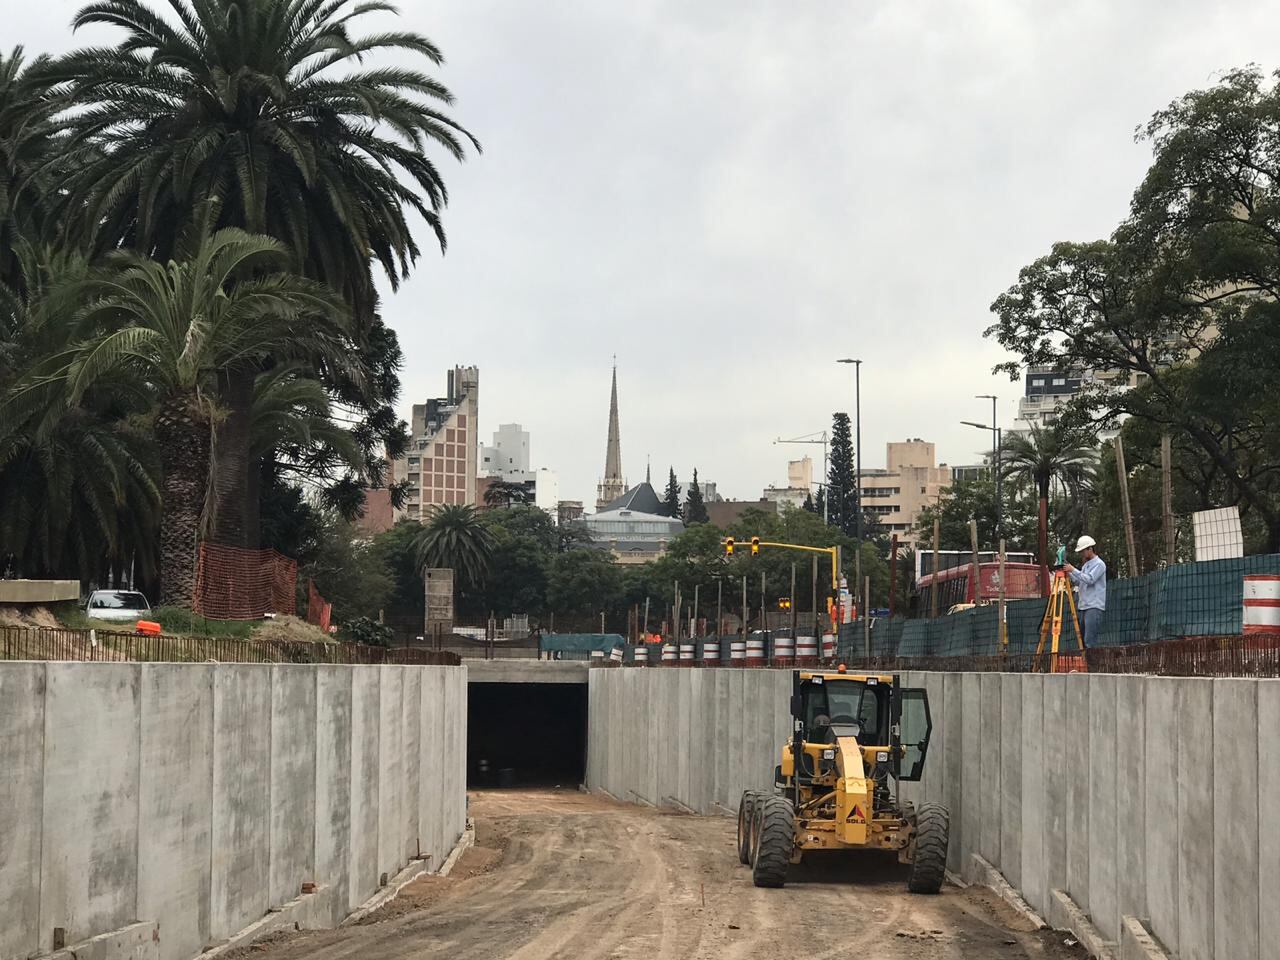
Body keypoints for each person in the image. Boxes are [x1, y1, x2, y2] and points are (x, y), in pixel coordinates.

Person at [1062, 535, 1106, 646]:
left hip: (1093, 607)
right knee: (1081, 641)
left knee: (1089, 641)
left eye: (1083, 551)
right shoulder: (1086, 565)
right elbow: (1079, 581)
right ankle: (1085, 661)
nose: (1082, 554)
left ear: (1090, 549)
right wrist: (1069, 572)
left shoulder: (1100, 564)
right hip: (1083, 606)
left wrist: (1073, 570)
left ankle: (1091, 663)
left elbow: (1090, 579)